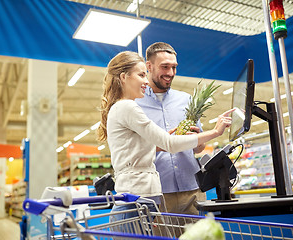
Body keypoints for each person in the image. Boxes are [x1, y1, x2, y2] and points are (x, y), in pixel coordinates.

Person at [97, 51, 234, 221]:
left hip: (143, 196)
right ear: (124, 77)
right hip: (138, 196)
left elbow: (135, 149)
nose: (145, 81)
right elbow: (170, 143)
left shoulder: (122, 107)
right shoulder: (128, 107)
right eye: (141, 75)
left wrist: (160, 143)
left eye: (174, 67)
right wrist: (215, 132)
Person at [135, 42, 210, 215]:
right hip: (155, 194)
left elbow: (199, 148)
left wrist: (198, 140)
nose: (170, 73)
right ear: (149, 66)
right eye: (165, 67)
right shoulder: (135, 103)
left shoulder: (186, 100)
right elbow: (133, 150)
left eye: (174, 67)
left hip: (192, 190)